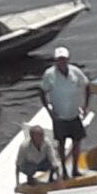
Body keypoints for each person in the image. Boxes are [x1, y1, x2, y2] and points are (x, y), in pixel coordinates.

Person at [39, 46, 90, 179]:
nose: (62, 62)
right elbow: (42, 91)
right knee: (61, 143)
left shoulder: (75, 72)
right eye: (59, 60)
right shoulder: (49, 74)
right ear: (56, 61)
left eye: (64, 59)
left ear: (68, 59)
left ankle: (75, 168)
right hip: (59, 116)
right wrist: (49, 111)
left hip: (74, 113)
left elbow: (87, 84)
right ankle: (64, 172)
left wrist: (85, 106)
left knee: (77, 141)